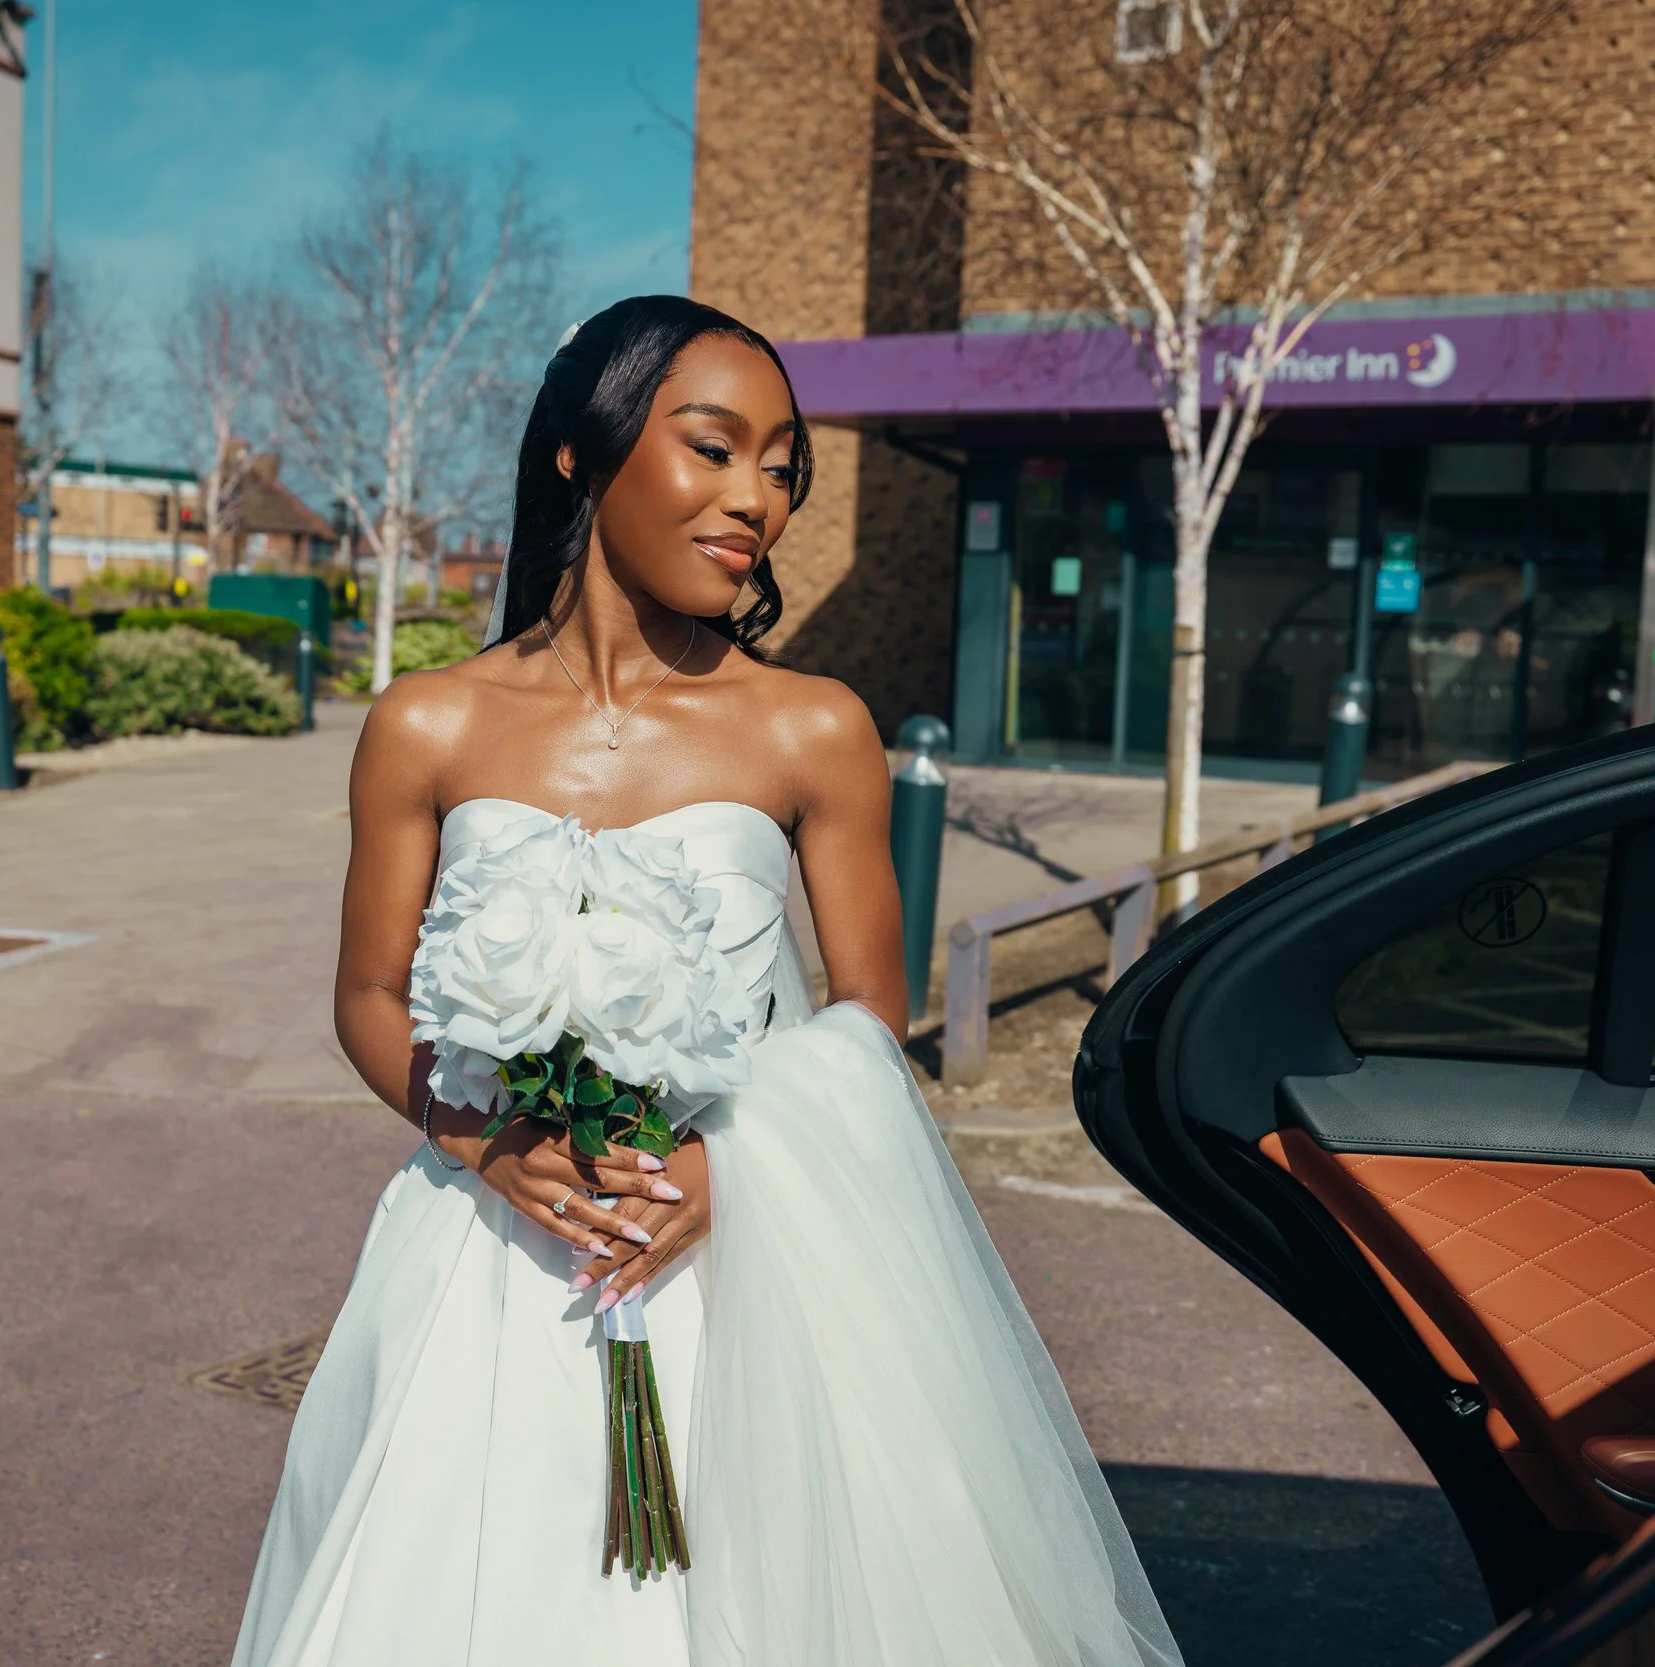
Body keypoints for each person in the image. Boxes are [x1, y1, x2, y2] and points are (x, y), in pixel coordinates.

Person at [233, 296, 1183, 1667]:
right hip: (492, 1265)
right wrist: (487, 1140)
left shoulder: (813, 725)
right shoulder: (427, 721)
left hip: (759, 1265)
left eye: (783, 464)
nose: (761, 499)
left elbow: (869, 1017)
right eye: (716, 447)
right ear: (581, 453)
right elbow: (369, 995)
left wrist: (733, 1171)